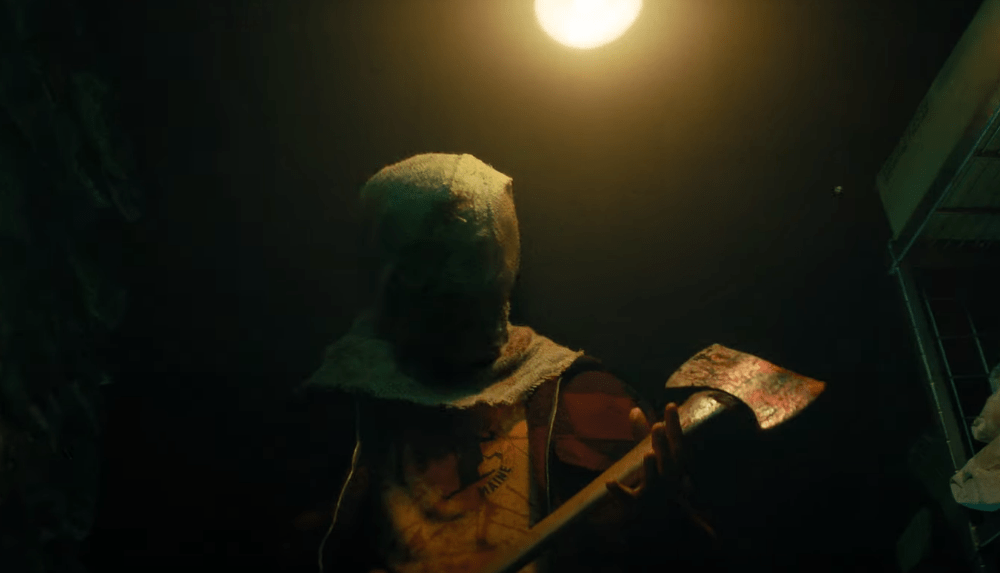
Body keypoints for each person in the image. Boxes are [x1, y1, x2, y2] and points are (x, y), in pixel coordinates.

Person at [283, 153, 716, 573]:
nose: (452, 280)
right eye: (427, 258)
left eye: (471, 256)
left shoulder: (590, 400)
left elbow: (687, 558)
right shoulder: (338, 412)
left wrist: (663, 528)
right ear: (387, 268)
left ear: (503, 258)